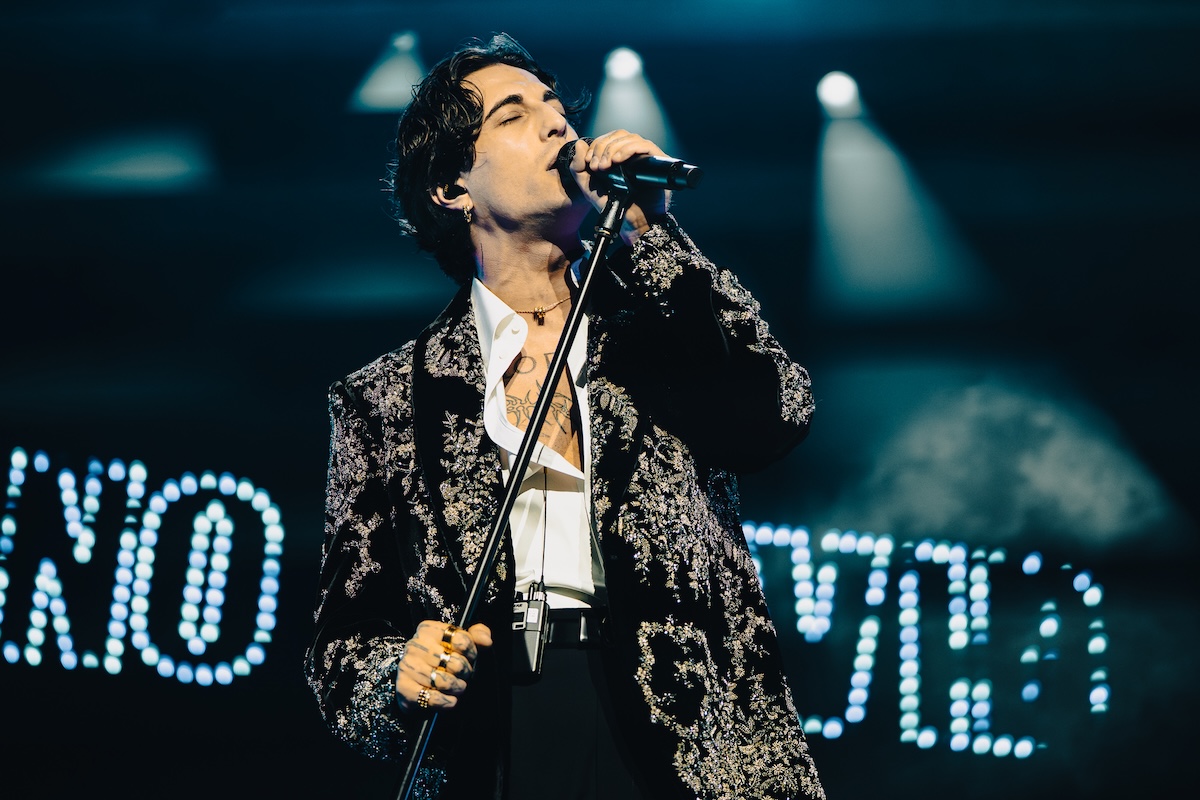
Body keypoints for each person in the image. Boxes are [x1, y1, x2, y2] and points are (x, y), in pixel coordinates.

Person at [304, 32, 825, 800]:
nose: (557, 123)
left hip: (689, 732)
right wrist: (397, 673)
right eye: (514, 115)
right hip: (500, 731)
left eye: (557, 108)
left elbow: (777, 414)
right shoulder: (384, 400)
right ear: (451, 186)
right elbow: (342, 645)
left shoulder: (660, 325)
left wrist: (652, 232)